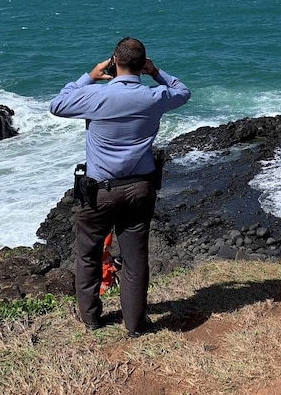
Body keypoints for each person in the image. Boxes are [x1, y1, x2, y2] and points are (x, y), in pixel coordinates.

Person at [49, 37, 190, 336]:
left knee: (88, 254)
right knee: (136, 260)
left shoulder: (95, 96)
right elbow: (183, 91)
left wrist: (89, 76)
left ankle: (91, 319)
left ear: (114, 62)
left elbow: (57, 105)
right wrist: (155, 72)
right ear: (142, 65)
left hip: (99, 190)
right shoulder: (154, 97)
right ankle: (135, 325)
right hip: (140, 188)